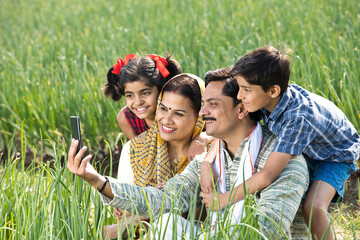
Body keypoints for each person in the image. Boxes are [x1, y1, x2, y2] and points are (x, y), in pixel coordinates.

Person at [67, 68, 309, 239]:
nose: (202, 113)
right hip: (215, 235)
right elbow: (162, 200)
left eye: (212, 104)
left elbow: (265, 229)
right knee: (166, 223)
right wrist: (96, 180)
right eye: (202, 104)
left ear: (242, 108)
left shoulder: (283, 161)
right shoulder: (210, 159)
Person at [206, 46, 359, 240]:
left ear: (273, 90)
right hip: (308, 145)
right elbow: (229, 127)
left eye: (246, 90)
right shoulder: (263, 99)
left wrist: (223, 200)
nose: (239, 96)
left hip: (334, 154)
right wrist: (206, 160)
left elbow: (268, 175)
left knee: (313, 206)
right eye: (239, 88)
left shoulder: (298, 118)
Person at [103, 54, 182, 139]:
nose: (138, 102)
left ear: (162, 89)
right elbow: (140, 151)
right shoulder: (126, 119)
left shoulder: (179, 114)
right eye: (129, 95)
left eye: (145, 93)